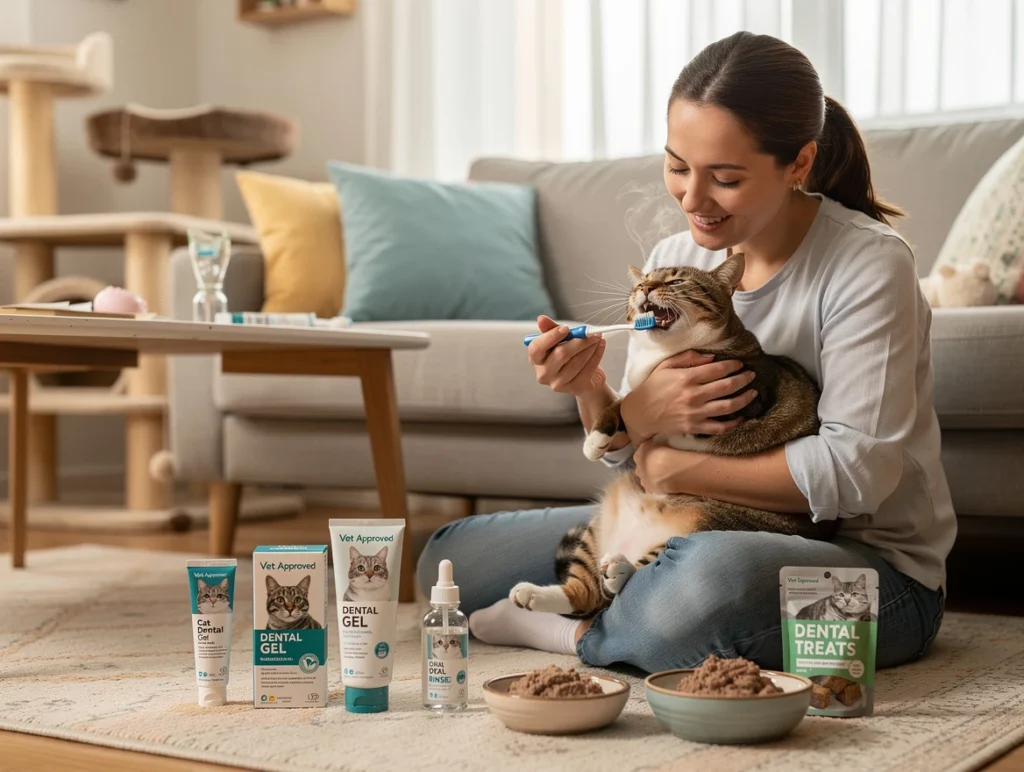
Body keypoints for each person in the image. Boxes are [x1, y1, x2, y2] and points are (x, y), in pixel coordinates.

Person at [416, 31, 955, 674]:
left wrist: (672, 468)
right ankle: (632, 611)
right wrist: (600, 395)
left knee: (703, 580)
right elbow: (630, 455)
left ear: (799, 163)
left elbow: (856, 473)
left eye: (725, 178)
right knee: (449, 559)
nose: (693, 201)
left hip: (871, 569)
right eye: (677, 167)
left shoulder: (868, 263)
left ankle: (574, 634)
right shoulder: (676, 260)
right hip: (684, 514)